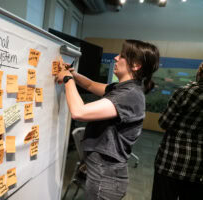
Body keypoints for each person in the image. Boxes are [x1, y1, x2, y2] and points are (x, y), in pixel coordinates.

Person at [55, 39, 160, 200]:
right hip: (103, 173)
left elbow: (79, 112)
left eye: (122, 56)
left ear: (136, 65)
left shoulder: (129, 95)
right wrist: (73, 74)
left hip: (106, 179)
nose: (116, 58)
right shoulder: (124, 88)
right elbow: (90, 85)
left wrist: (68, 80)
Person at [152, 62, 203, 200]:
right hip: (198, 168)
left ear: (200, 72)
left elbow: (164, 123)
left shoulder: (185, 92)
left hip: (171, 162)